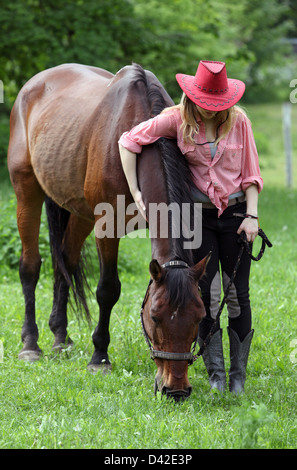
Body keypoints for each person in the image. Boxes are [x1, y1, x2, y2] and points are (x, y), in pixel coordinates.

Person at [118, 60, 263, 394]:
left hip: (238, 214)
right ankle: (215, 374)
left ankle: (237, 376)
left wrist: (252, 216)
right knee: (207, 296)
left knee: (237, 295)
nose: (212, 111)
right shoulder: (174, 120)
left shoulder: (239, 123)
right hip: (198, 217)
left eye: (219, 106)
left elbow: (252, 173)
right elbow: (128, 141)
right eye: (206, 104)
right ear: (192, 97)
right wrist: (136, 192)